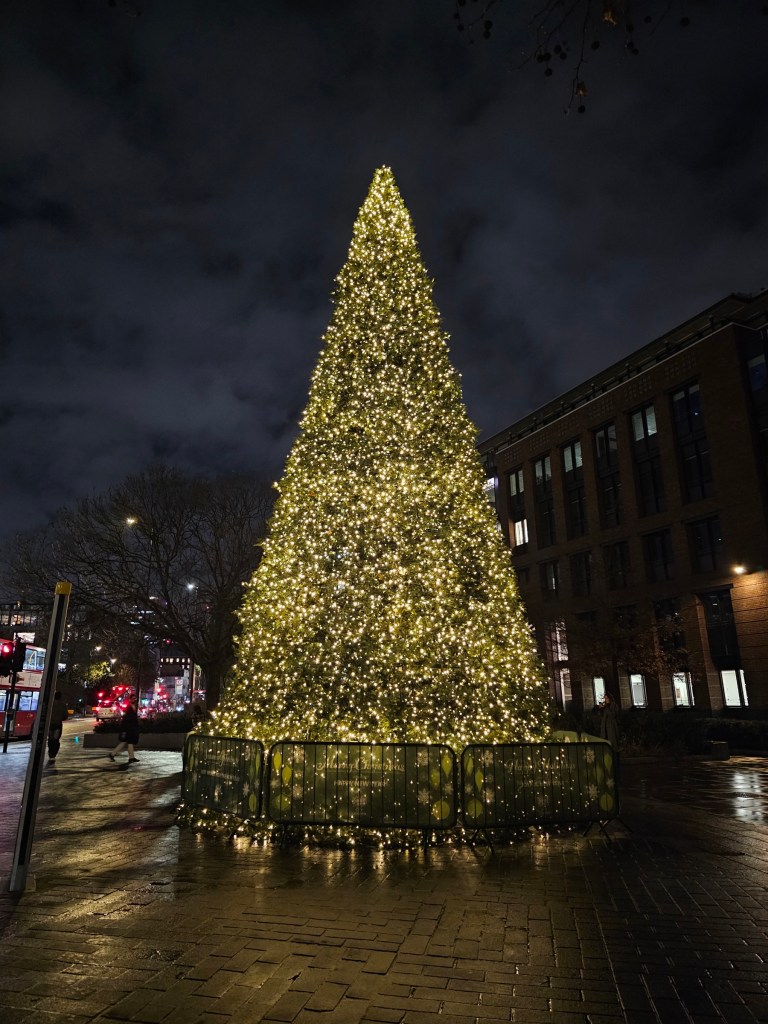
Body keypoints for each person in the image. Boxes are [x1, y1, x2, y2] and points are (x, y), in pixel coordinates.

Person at [48, 691, 68, 761]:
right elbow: (65, 716)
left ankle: (50, 753)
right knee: (56, 740)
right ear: (60, 697)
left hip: (50, 724)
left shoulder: (50, 704)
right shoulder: (62, 705)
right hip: (57, 724)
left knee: (50, 739)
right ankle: (53, 755)